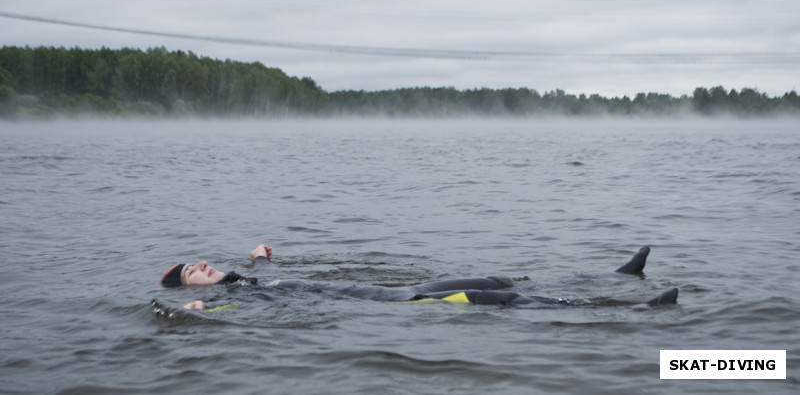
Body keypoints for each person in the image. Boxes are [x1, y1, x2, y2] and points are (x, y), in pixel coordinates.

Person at [160, 244, 678, 311]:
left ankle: (616, 277)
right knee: (493, 299)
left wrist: (259, 259)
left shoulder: (246, 279)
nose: (199, 267)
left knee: (495, 275)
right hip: (404, 303)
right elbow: (220, 316)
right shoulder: (236, 302)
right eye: (191, 275)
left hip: (397, 288)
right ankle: (628, 311)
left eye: (197, 260)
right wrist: (195, 312)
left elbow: (265, 274)